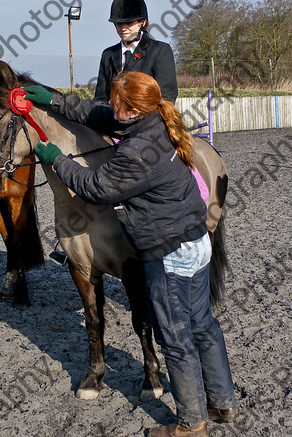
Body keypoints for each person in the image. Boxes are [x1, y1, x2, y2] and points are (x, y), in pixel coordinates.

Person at [24, 72, 237, 436]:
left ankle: (191, 424)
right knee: (203, 324)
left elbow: (95, 186)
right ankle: (222, 402)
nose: (113, 109)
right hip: (197, 240)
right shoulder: (155, 121)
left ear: (133, 110)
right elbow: (96, 114)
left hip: (169, 252)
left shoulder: (137, 152)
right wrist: (53, 99)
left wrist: (57, 159)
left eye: (118, 105)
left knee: (174, 336)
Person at [93, 0, 178, 105]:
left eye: (128, 23)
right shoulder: (108, 54)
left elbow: (166, 97)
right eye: (119, 24)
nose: (123, 28)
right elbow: (100, 99)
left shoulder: (160, 51)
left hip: (148, 120)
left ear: (142, 22)